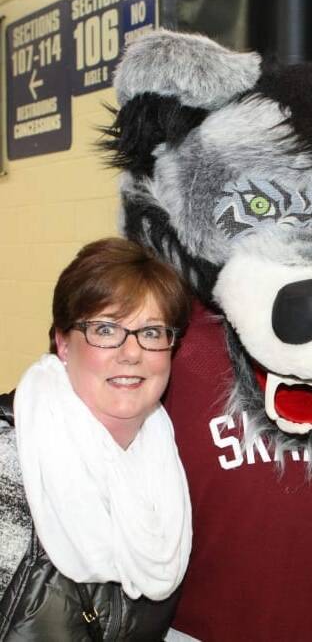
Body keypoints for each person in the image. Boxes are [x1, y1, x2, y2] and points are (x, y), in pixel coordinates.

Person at [0, 237, 193, 641]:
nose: (131, 353)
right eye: (105, 329)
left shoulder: (163, 463)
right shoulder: (7, 462)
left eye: (152, 332)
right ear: (63, 343)